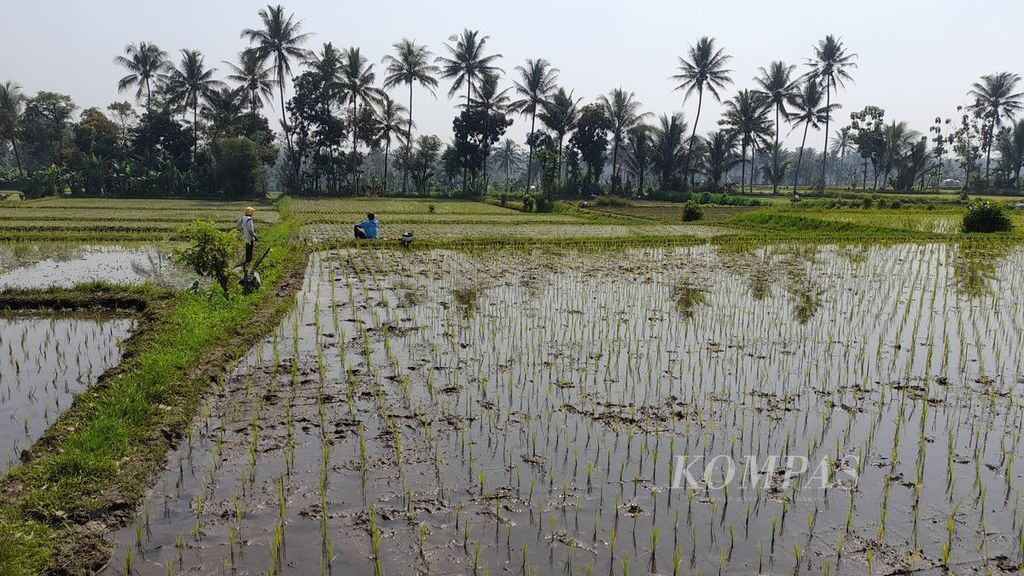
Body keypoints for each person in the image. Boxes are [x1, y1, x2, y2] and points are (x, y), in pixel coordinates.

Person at [237, 207, 257, 271]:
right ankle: (249, 261)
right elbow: (251, 230)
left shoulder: (243, 218)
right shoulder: (249, 220)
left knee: (247, 248)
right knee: (250, 249)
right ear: (250, 212)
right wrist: (254, 236)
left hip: (245, 236)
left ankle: (247, 260)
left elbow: (238, 224)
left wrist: (242, 228)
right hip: (249, 237)